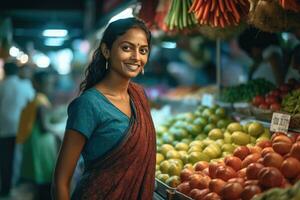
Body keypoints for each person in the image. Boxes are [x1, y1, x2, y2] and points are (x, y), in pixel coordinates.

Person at [52, 17, 156, 200]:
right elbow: (61, 181)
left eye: (143, 50)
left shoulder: (139, 96)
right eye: (126, 48)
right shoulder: (88, 104)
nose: (136, 57)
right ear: (106, 51)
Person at [16, 70, 58, 200]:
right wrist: (58, 131)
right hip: (41, 143)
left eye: (51, 84)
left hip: (34, 140)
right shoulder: (41, 100)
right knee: (45, 178)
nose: (50, 87)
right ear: (38, 84)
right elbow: (45, 126)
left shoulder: (36, 98)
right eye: (47, 84)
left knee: (38, 180)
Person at [0, 61, 35, 197]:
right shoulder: (24, 86)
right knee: (18, 157)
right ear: (17, 71)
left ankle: (6, 187)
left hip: (3, 128)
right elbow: (33, 101)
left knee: (5, 158)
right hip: (21, 128)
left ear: (5, 71)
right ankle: (17, 184)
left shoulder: (2, 86)